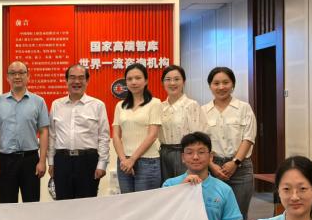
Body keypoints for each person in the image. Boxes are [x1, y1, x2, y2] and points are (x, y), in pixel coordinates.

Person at [202, 66, 257, 220]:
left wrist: (235, 162)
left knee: (239, 219)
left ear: (233, 84)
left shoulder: (243, 108)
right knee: (214, 218)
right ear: (210, 86)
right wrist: (211, 165)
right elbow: (201, 143)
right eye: (216, 83)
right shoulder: (203, 111)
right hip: (212, 169)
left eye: (225, 82)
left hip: (240, 168)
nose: (221, 87)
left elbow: (248, 138)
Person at [0, 61, 49, 203]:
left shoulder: (38, 101)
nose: (17, 76)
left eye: (21, 73)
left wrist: (42, 161)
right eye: (13, 73)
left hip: (30, 160)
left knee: (31, 203)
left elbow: (44, 131)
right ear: (7, 77)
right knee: (7, 204)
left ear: (28, 76)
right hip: (6, 160)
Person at [48, 64, 110, 200]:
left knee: (87, 205)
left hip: (88, 161)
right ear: (66, 80)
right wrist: (51, 162)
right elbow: (52, 136)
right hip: (62, 161)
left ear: (87, 81)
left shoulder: (97, 105)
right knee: (63, 202)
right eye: (72, 77)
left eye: (81, 78)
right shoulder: (56, 104)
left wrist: (102, 164)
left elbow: (104, 137)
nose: (76, 81)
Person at [112, 63, 162, 193]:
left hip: (147, 162)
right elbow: (116, 135)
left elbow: (152, 135)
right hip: (124, 162)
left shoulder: (155, 103)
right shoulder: (120, 105)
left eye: (138, 78)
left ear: (146, 81)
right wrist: (124, 160)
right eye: (129, 79)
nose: (133, 82)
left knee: (146, 203)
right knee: (128, 202)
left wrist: (132, 159)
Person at [158, 64, 207, 182]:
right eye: (168, 79)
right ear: (163, 83)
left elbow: (199, 134)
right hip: (163, 154)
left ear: (183, 82)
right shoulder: (159, 107)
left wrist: (193, 155)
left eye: (177, 79)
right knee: (167, 188)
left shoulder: (191, 105)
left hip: (185, 153)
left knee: (186, 187)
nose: (172, 83)